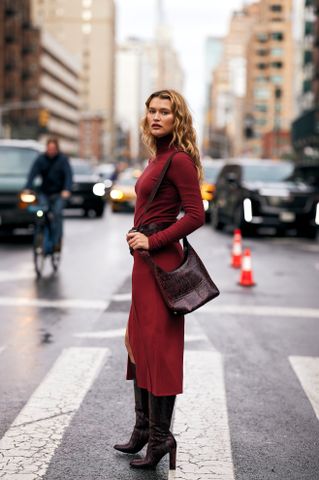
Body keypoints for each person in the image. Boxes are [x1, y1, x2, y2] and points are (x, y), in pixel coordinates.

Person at [114, 90, 205, 470]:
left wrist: (153, 239)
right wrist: (140, 237)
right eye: (151, 110)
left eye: (164, 111)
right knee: (139, 344)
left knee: (160, 350)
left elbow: (195, 215)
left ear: (176, 118)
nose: (156, 116)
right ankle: (143, 430)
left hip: (162, 265)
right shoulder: (156, 158)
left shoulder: (179, 160)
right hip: (143, 265)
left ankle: (160, 438)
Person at [24, 137, 73, 253]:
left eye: (53, 148)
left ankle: (57, 242)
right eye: (49, 148)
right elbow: (32, 173)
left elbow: (68, 176)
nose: (51, 151)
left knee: (57, 214)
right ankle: (40, 235)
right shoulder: (41, 159)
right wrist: (27, 187)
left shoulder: (62, 160)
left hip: (59, 193)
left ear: (57, 149)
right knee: (40, 214)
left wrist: (66, 189)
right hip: (44, 193)